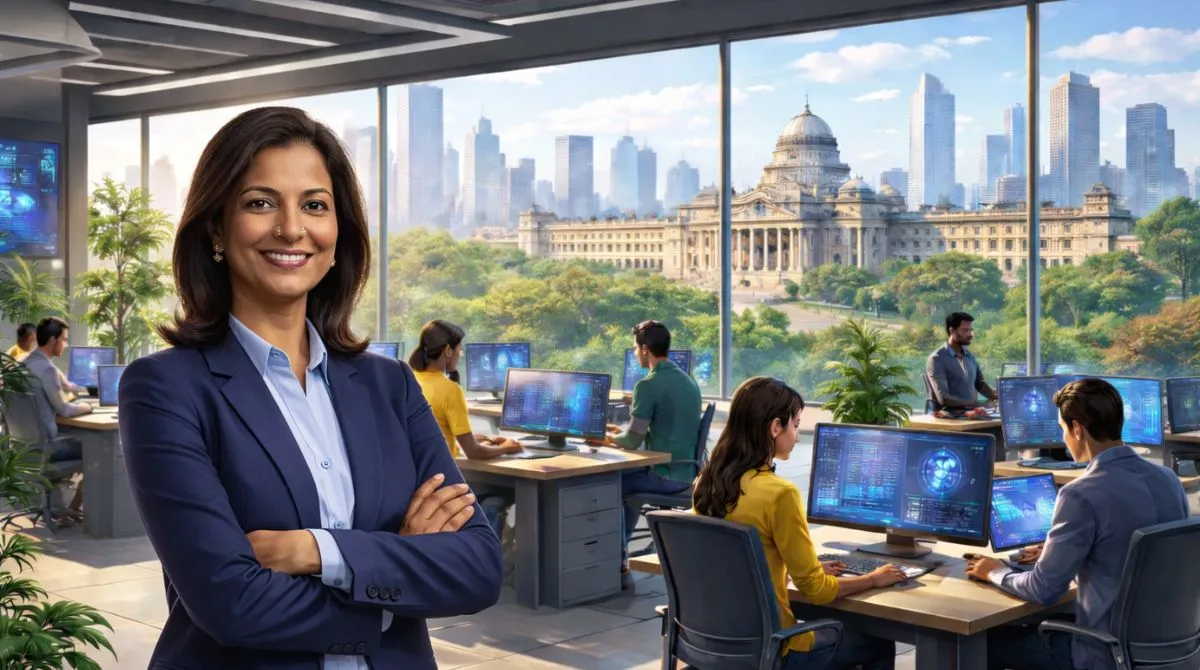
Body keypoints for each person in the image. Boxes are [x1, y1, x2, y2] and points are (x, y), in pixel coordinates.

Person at [118, 106, 501, 670]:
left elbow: (478, 568)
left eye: (315, 205)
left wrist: (313, 551)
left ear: (337, 233)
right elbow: (232, 604)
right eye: (260, 202)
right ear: (216, 229)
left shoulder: (387, 384)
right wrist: (400, 569)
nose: (292, 228)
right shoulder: (164, 389)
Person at [966, 378, 1189, 670]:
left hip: (1106, 653)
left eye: (1063, 429)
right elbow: (1131, 549)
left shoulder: (1080, 495)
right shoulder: (1169, 481)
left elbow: (1043, 590)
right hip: (1169, 649)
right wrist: (1059, 551)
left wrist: (997, 572)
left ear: (1078, 429)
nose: (1064, 439)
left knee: (982, 642)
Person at [692, 377, 903, 670]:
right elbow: (816, 591)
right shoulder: (780, 494)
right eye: (796, 425)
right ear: (775, 427)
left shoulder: (706, 483)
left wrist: (796, 572)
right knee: (877, 642)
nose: (797, 435)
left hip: (712, 644)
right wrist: (872, 578)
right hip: (775, 651)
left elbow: (731, 564)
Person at [590, 320, 701, 587]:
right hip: (688, 471)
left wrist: (603, 439)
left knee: (609, 484)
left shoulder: (648, 384)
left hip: (665, 475)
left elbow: (631, 440)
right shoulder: (688, 381)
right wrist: (620, 433)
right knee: (628, 486)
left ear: (645, 350)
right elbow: (656, 428)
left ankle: (616, 561)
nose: (636, 354)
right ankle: (622, 553)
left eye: (636, 349)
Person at [407, 318, 522, 541]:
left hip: (417, 480)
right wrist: (506, 447)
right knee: (505, 493)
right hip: (443, 483)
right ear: (448, 350)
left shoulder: (410, 378)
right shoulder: (450, 390)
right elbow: (474, 453)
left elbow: (430, 431)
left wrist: (463, 438)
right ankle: (489, 555)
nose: (460, 354)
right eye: (459, 348)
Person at [22, 317, 91, 523]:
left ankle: (65, 509)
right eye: (64, 339)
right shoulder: (48, 370)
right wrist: (88, 407)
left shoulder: (22, 365)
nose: (66, 344)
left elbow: (67, 385)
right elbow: (64, 409)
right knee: (97, 450)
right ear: (53, 340)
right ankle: (72, 510)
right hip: (48, 447)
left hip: (23, 447)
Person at [926, 311, 997, 410]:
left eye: (971, 330)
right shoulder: (937, 359)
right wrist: (975, 404)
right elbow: (943, 398)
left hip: (971, 414)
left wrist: (1000, 396)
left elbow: (980, 384)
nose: (970, 334)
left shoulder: (970, 357)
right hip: (949, 417)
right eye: (965, 330)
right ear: (952, 331)